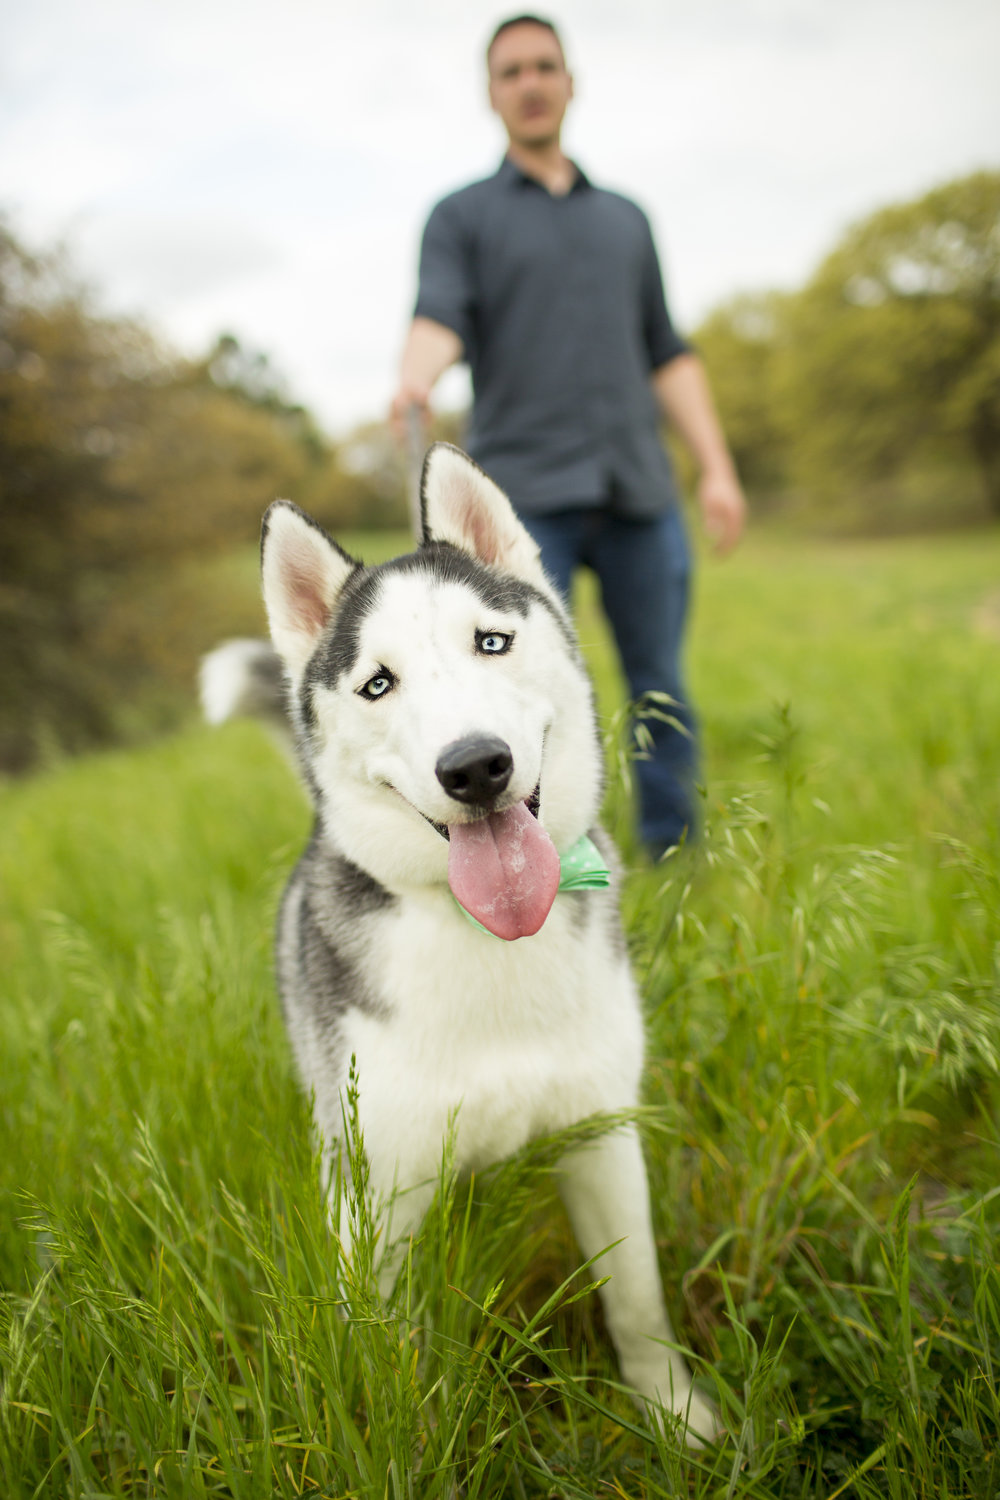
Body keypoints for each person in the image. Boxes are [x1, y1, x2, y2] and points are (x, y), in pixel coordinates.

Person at [391, 14, 746, 856]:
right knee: (527, 687)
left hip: (639, 490)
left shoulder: (627, 218)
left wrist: (718, 469)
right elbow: (437, 317)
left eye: (544, 66)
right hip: (521, 504)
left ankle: (674, 856)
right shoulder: (460, 217)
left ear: (571, 82)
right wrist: (416, 374)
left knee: (660, 685)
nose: (531, 82)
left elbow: (668, 351)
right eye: (512, 71)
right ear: (492, 94)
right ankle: (550, 861)